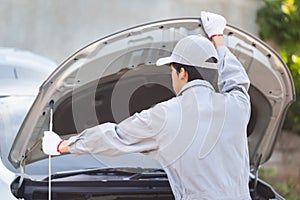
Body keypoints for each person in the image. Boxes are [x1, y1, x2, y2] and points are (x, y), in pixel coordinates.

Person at [43, 11, 251, 199]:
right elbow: (236, 77)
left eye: (172, 71)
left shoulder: (165, 116)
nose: (173, 78)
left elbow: (113, 136)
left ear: (182, 72)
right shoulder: (238, 105)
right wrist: (217, 37)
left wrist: (62, 146)